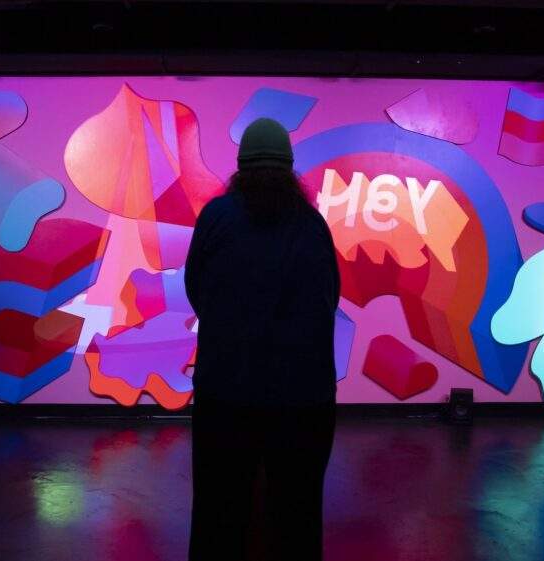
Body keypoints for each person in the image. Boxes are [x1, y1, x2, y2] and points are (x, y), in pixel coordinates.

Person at [185, 118, 341, 561]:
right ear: (290, 170)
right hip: (303, 399)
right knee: (298, 516)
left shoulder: (216, 218)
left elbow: (197, 289)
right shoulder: (311, 225)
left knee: (219, 513)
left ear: (240, 168)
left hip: (226, 394)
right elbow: (329, 298)